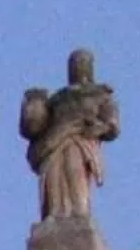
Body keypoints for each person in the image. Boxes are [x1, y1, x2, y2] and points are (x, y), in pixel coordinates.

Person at [20, 48, 118, 222]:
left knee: (75, 172)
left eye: (82, 62)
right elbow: (37, 125)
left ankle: (79, 213)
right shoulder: (58, 98)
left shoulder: (101, 95)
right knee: (54, 176)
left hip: (80, 141)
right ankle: (55, 213)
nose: (78, 66)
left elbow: (112, 125)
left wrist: (97, 128)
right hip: (55, 141)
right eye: (75, 63)